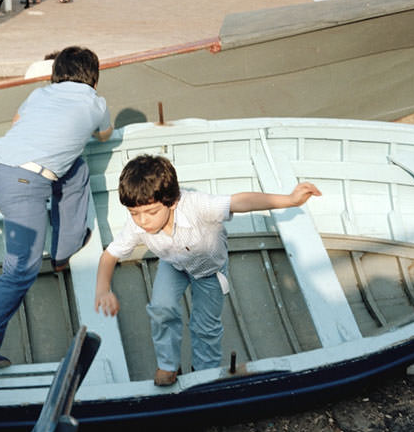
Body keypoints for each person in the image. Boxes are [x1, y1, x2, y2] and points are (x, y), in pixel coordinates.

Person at [94, 154, 320, 386]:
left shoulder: (197, 205)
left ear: (171, 202)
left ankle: (204, 372)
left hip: (209, 271)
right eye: (134, 213)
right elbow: (110, 255)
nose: (142, 221)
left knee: (205, 326)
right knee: (161, 308)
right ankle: (168, 365)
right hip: (174, 264)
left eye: (150, 212)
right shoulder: (137, 224)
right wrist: (103, 289)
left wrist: (290, 200)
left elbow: (241, 201)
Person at [0, 46, 113, 368]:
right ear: (93, 76)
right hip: (23, 186)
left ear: (56, 73)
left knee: (76, 170)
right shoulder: (96, 103)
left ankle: (64, 249)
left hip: (0, 167)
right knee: (20, 271)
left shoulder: (39, 93)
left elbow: (17, 122)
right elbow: (104, 136)